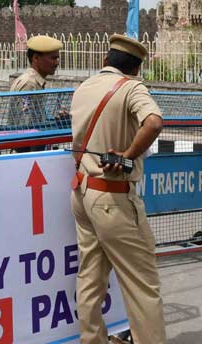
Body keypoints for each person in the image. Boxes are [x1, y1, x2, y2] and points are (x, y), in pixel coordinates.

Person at [70, 34, 166, 344]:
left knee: (90, 278)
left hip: (83, 191)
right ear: (136, 69)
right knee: (142, 285)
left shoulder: (84, 87)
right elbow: (153, 122)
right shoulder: (131, 88)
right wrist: (128, 155)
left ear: (104, 61)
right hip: (113, 197)